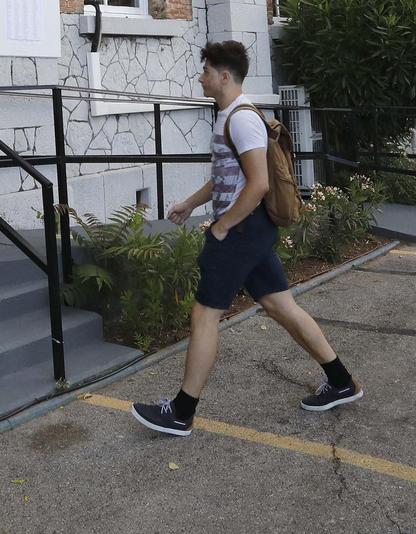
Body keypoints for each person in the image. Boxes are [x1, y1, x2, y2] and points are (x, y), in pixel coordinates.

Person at [130, 41, 360, 436]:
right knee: (281, 307)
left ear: (223, 76)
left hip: (242, 230)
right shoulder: (227, 118)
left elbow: (258, 184)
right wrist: (190, 203)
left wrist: (220, 228)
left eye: (205, 71)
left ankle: (181, 412)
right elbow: (227, 176)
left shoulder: (241, 119)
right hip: (248, 230)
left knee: (205, 314)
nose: (200, 78)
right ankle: (341, 381)